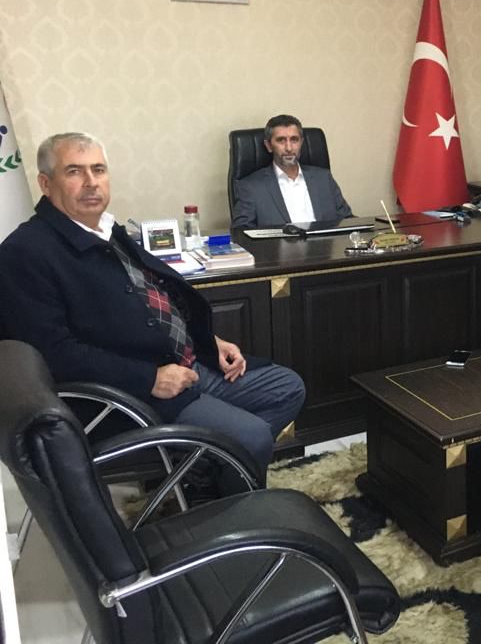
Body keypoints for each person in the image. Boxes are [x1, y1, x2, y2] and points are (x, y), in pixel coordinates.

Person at [0, 133, 305, 477]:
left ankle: (203, 472)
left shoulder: (106, 230)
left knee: (286, 388)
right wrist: (149, 379)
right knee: (251, 436)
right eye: (74, 171)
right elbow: (53, 354)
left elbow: (152, 301)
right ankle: (219, 490)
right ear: (45, 183)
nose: (91, 182)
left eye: (98, 169)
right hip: (129, 394)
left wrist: (208, 340)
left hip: (186, 363)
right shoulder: (25, 252)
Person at [231, 114, 352, 228]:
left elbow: (348, 221)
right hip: (277, 244)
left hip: (326, 243)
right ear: (269, 146)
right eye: (281, 140)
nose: (289, 148)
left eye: (294, 140)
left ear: (301, 143)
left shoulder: (323, 178)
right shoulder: (250, 187)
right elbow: (241, 232)